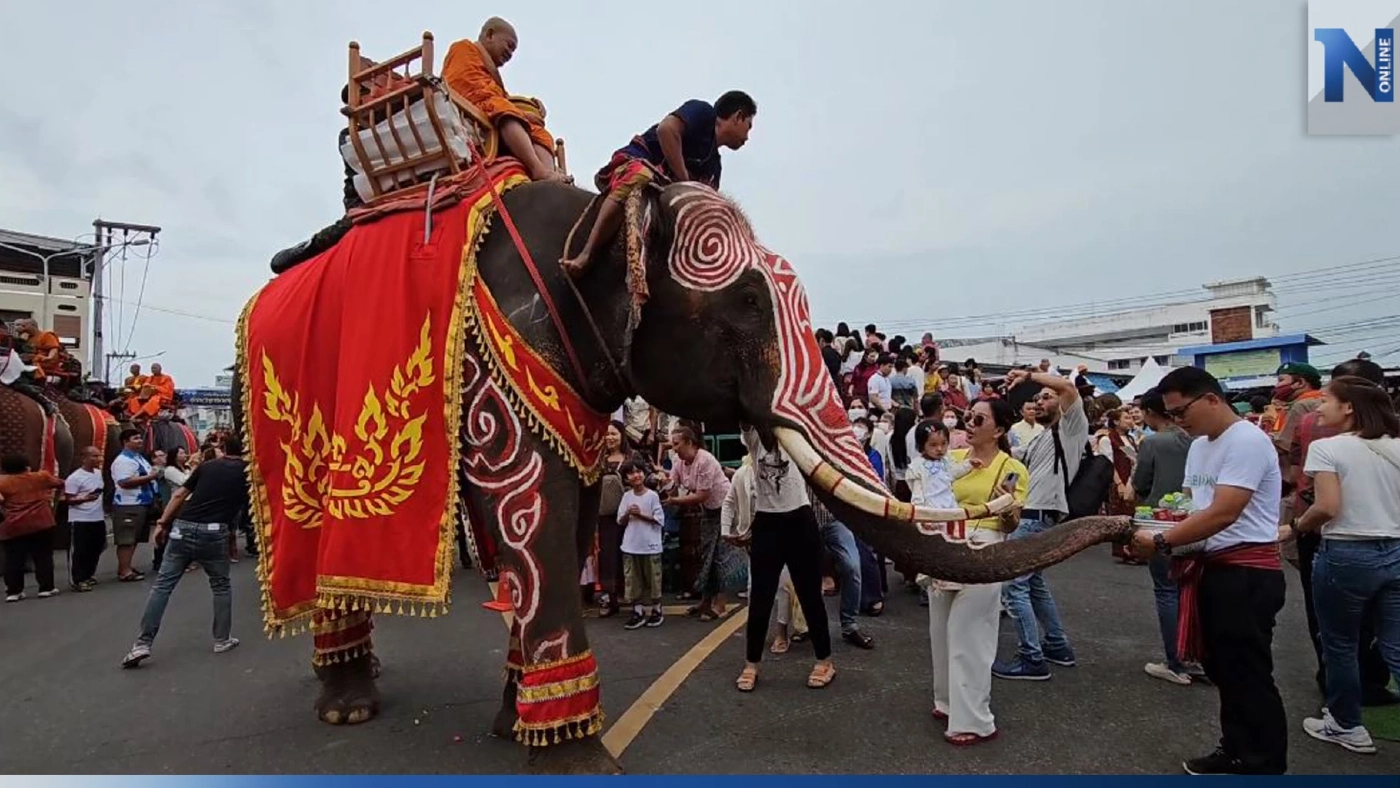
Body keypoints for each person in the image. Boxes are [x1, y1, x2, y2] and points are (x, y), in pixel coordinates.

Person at [1130, 367, 1287, 775]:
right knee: (1223, 668)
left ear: (1212, 399)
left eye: (1182, 411)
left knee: (1247, 670)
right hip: (1209, 566)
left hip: (1245, 570)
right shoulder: (1199, 445)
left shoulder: (1247, 440)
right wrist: (1162, 522)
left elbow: (1224, 510)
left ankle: (1262, 760)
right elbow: (1189, 502)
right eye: (1172, 413)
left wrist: (1164, 541)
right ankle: (1236, 747)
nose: (1179, 421)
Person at [1284, 375, 1400, 754]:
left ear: (1349, 407)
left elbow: (1327, 507)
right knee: (1395, 645)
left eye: (1327, 401)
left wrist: (1295, 527)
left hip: (1348, 552)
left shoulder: (1327, 448)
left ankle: (1346, 725)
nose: (1319, 408)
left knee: (1340, 644)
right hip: (1396, 550)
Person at [560, 91, 757, 277]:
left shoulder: (714, 166)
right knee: (640, 175)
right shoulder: (703, 112)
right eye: (748, 125)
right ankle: (587, 253)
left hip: (663, 198)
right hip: (635, 165)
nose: (747, 137)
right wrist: (684, 180)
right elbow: (667, 130)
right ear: (738, 116)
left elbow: (702, 202)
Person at [925, 400, 1028, 746]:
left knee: (969, 633)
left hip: (985, 549)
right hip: (944, 545)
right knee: (940, 630)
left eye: (978, 419)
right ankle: (947, 701)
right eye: (968, 417)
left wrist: (1007, 505)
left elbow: (1011, 523)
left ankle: (973, 718)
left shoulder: (1011, 467)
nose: (968, 423)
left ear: (998, 430)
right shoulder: (951, 459)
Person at [122, 436, 250, 667]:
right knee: (220, 586)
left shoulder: (207, 467)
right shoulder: (248, 473)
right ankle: (221, 639)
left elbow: (180, 494)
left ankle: (142, 644)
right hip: (215, 532)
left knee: (162, 586)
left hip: (183, 527)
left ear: (222, 449)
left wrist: (162, 523)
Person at [991, 367, 1086, 680]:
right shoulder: (1043, 436)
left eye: (1047, 397)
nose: (1040, 402)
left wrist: (1031, 376)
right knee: (1034, 584)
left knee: (1015, 585)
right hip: (1033, 515)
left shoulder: (1072, 426)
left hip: (1036, 516)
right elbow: (1014, 467)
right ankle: (1056, 645)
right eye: (1037, 398)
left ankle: (1031, 657)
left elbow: (1067, 387)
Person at [735, 424, 834, 692]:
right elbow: (745, 417)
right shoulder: (754, 436)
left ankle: (824, 660)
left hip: (799, 520)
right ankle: (751, 663)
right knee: (760, 598)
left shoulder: (795, 434)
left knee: (809, 595)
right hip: (767, 523)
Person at [1131, 388, 1202, 686]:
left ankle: (1176, 660)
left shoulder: (1153, 442)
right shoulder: (1200, 440)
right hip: (1202, 522)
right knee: (1196, 592)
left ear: (1149, 413)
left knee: (1166, 590)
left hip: (1161, 523)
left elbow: (1140, 483)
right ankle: (1198, 658)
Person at [442, 17, 568, 183]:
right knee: (504, 110)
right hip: (468, 108)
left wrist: (530, 109)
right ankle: (537, 169)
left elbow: (500, 96)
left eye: (514, 51)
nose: (510, 54)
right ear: (490, 35)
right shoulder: (463, 48)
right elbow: (465, 86)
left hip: (489, 107)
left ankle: (549, 174)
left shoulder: (492, 74)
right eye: (509, 46)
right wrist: (514, 110)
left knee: (539, 132)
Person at [666, 426, 738, 620]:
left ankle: (720, 604)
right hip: (708, 510)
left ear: (689, 443)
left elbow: (701, 494)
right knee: (706, 554)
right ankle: (705, 601)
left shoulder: (705, 459)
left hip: (725, 508)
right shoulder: (678, 461)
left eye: (677, 444)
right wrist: (664, 483)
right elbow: (672, 484)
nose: (674, 448)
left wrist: (674, 501)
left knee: (720, 556)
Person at [0, 454, 65, 601]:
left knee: (13, 558)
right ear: (27, 466)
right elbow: (60, 483)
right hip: (41, 522)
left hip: (14, 524)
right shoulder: (40, 477)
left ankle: (14, 591)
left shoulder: (2, 482)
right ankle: (46, 588)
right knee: (43, 556)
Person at [616, 462, 666, 629]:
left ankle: (656, 610)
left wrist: (641, 515)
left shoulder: (652, 496)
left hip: (650, 544)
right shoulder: (626, 497)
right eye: (631, 473)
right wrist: (628, 513)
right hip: (631, 544)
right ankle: (637, 611)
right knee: (633, 579)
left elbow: (659, 520)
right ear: (626, 478)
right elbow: (620, 520)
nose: (636, 475)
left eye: (638, 472)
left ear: (644, 475)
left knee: (653, 578)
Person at [64, 446, 107, 591]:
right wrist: (85, 498)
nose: (98, 459)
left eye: (99, 456)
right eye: (94, 456)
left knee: (96, 547)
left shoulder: (98, 473)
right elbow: (68, 499)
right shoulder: (75, 478)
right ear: (84, 458)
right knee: (80, 550)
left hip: (97, 517)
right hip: (80, 518)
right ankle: (78, 579)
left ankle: (88, 574)